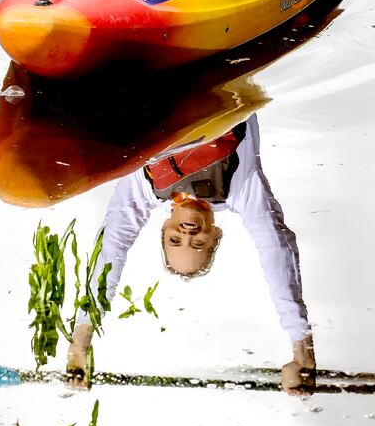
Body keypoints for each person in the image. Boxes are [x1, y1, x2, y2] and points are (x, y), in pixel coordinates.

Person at [66, 113, 316, 396]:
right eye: (198, 243)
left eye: (176, 239)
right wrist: (301, 344)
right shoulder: (241, 188)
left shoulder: (143, 190)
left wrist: (80, 342)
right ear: (215, 235)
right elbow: (275, 247)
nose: (187, 233)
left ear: (165, 227)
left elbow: (111, 251)